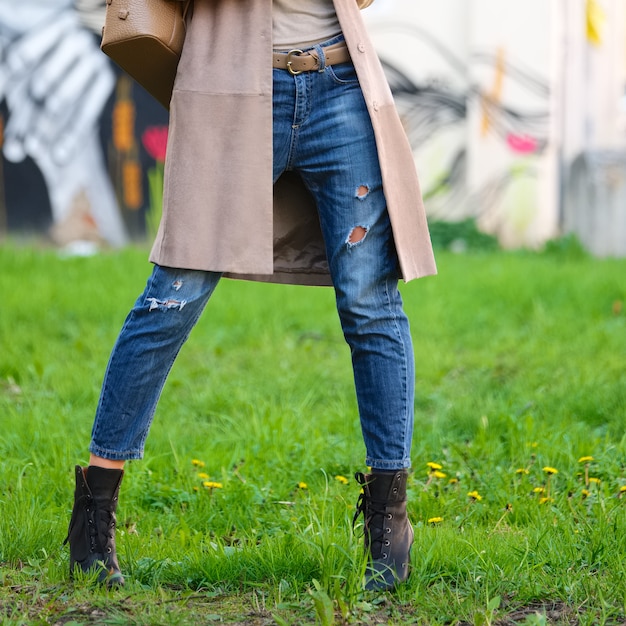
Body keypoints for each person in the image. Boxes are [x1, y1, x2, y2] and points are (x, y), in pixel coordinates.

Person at [65, 0, 437, 592]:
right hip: (232, 88)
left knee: (371, 305)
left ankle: (390, 520)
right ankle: (93, 512)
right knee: (172, 297)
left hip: (339, 85)